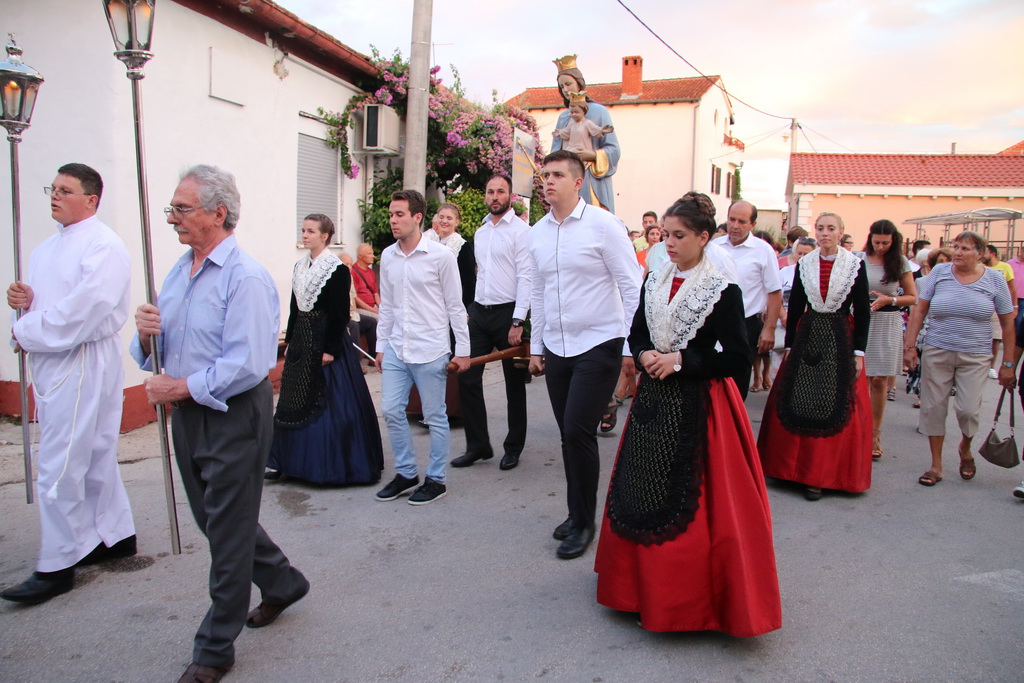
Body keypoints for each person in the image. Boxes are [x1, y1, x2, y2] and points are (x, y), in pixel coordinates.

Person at [131, 165, 308, 683]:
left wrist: (179, 388)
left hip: (233, 414)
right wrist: (146, 339)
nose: (172, 219)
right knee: (217, 521)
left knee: (226, 535)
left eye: (182, 209)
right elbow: (168, 347)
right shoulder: (178, 270)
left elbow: (248, 363)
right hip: (188, 415)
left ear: (218, 213)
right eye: (172, 208)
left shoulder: (244, 276)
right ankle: (282, 582)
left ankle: (214, 649)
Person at [593, 192, 780, 636]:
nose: (669, 243)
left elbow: (737, 358)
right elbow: (636, 332)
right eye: (666, 235)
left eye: (679, 236)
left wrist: (681, 361)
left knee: (689, 503)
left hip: (699, 405)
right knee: (640, 492)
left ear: (703, 237)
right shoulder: (654, 277)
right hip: (653, 405)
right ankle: (635, 588)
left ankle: (681, 599)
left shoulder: (722, 289)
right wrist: (643, 355)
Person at [1, 163, 137, 605]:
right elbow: (47, 305)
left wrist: (27, 331)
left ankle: (56, 563)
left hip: (81, 359)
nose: (54, 196)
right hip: (54, 358)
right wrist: (23, 303)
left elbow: (85, 310)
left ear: (91, 200)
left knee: (58, 461)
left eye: (65, 190)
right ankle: (113, 536)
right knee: (94, 452)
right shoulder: (45, 249)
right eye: (53, 188)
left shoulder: (104, 246)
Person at [528, 150, 641, 559]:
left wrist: (632, 348)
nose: (548, 181)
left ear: (579, 182)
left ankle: (586, 521)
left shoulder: (604, 226)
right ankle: (576, 512)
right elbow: (538, 291)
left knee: (578, 431)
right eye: (545, 175)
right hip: (557, 346)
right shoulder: (537, 231)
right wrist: (537, 346)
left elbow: (632, 287)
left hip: (600, 342)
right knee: (567, 434)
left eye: (558, 174)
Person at [758, 211, 872, 501]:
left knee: (830, 401)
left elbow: (862, 310)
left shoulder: (854, 265)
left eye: (830, 228)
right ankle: (789, 468)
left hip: (840, 336)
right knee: (799, 398)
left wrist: (858, 351)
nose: (824, 233)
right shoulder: (806, 263)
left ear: (841, 232)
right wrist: (792, 346)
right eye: (820, 228)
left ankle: (820, 474)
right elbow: (796, 307)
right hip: (808, 334)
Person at [264, 214, 384, 484]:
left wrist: (329, 349)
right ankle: (288, 461)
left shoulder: (337, 268)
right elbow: (296, 308)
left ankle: (330, 465)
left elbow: (340, 313)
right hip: (303, 340)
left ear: (325, 236)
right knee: (292, 401)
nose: (305, 235)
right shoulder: (299, 266)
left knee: (329, 401)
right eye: (304, 230)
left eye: (310, 231)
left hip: (327, 338)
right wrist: (291, 339)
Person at [374, 190, 471, 505]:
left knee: (434, 416)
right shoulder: (388, 255)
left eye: (399, 214)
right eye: (391, 214)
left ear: (417, 217)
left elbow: (455, 307)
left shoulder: (440, 256)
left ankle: (436, 479)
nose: (393, 220)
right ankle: (405, 472)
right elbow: (386, 305)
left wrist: (463, 350)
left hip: (431, 349)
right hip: (396, 348)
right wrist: (380, 346)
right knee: (390, 409)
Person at [903, 231, 1015, 487]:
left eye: (965, 248)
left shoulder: (995, 279)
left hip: (975, 354)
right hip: (938, 349)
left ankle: (965, 447)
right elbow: (920, 310)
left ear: (980, 254)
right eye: (955, 247)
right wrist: (910, 346)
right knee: (933, 408)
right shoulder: (940, 274)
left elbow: (1008, 323)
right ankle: (936, 465)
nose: (958, 252)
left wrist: (1007, 363)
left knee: (968, 410)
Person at [453, 175, 532, 471]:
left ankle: (513, 448)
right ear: (485, 196)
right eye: (490, 191)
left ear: (510, 196)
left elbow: (527, 276)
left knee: (515, 383)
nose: (495, 196)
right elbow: (481, 274)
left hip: (509, 314)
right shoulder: (482, 231)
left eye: (501, 191)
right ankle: (478, 445)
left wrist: (518, 320)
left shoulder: (522, 232)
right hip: (480, 314)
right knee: (467, 376)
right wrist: (471, 309)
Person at [711, 200, 781, 398]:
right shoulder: (713, 247)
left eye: (742, 221)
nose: (735, 225)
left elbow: (774, 292)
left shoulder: (763, 250)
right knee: (712, 384)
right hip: (713, 325)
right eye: (732, 219)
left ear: (753, 225)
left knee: (737, 387)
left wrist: (769, 329)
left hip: (745, 326)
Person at [861, 219, 917, 460]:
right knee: (860, 377)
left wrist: (890, 300)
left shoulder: (900, 262)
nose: (881, 246)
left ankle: (875, 432)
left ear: (894, 241)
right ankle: (858, 429)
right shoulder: (859, 259)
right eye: (877, 242)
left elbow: (913, 297)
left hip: (887, 321)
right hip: (863, 319)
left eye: (885, 243)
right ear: (870, 239)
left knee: (879, 380)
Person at [551, 54, 621, 213]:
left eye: (568, 84)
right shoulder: (563, 117)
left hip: (591, 179)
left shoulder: (599, 112)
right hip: (566, 179)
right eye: (562, 87)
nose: (566, 90)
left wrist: (592, 155)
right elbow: (555, 152)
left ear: (579, 84)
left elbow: (614, 150)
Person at [984, 244, 1016, 379]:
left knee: (995, 338)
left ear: (992, 253)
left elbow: (1012, 288)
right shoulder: (979, 267)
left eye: (983, 252)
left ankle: (991, 367)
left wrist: (1015, 307)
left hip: (998, 307)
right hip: (983, 305)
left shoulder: (1005, 267)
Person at [351, 243, 380, 361]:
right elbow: (355, 297)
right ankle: (374, 356)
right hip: (361, 308)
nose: (373, 256)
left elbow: (375, 293)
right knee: (376, 319)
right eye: (369, 253)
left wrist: (381, 307)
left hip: (372, 305)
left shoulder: (371, 272)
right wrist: (373, 310)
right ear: (360, 256)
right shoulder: (354, 272)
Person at [1007, 244, 1024, 329]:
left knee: (1019, 321)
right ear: (1021, 251)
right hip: (1010, 297)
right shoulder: (1010, 264)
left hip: (1023, 299)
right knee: (1008, 319)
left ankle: (1015, 340)